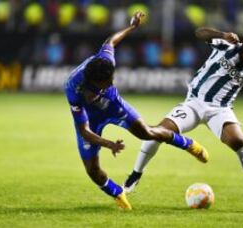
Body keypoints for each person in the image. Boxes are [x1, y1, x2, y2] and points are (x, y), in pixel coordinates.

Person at [64, 12, 208, 210]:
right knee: (92, 170)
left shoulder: (105, 62)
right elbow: (84, 131)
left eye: (110, 83)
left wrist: (132, 27)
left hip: (114, 106)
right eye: (104, 86)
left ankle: (189, 144)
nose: (108, 86)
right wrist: (109, 144)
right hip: (90, 118)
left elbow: (111, 41)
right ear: (91, 83)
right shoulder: (73, 89)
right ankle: (117, 192)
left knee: (147, 133)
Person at [124, 27, 243, 200]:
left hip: (220, 110)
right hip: (194, 103)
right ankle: (135, 174)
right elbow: (199, 32)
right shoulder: (226, 45)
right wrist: (222, 35)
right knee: (157, 133)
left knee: (239, 141)